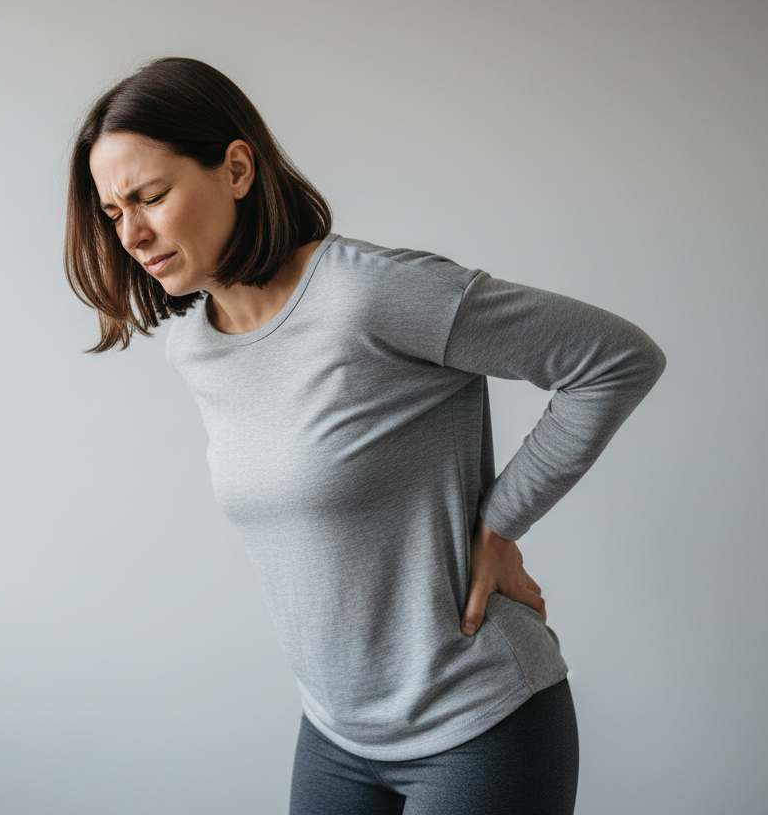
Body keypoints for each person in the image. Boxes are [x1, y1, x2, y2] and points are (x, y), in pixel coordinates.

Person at [64, 57, 665, 815]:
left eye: (150, 195)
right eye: (114, 212)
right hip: (335, 736)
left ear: (238, 168)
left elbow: (614, 359)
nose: (133, 232)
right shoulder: (195, 347)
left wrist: (500, 522)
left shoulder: (372, 294)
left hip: (479, 723)